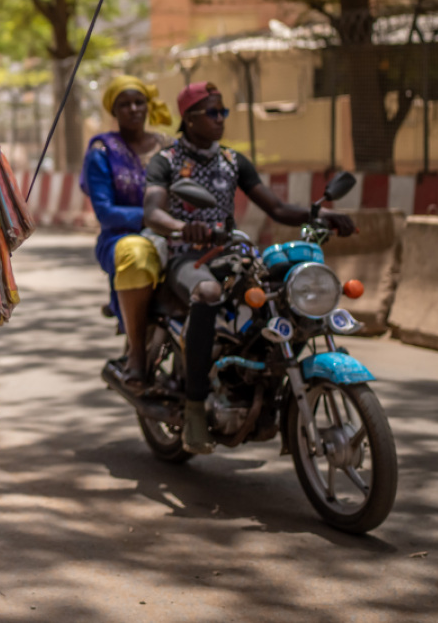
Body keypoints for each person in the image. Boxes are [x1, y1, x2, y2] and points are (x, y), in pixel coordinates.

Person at [142, 82, 355, 454]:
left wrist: (320, 213)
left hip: (231, 253)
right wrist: (182, 227)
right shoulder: (167, 161)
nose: (220, 119)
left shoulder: (232, 160)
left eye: (223, 111)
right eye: (212, 112)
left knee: (282, 288)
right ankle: (194, 411)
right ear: (189, 118)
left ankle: (262, 378)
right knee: (207, 294)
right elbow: (153, 212)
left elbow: (277, 208)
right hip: (186, 256)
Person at [80, 76, 172, 389]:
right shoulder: (102, 151)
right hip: (121, 236)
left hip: (175, 233)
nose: (133, 109)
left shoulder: (168, 147)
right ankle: (136, 353)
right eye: (125, 104)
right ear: (114, 111)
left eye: (138, 102)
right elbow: (105, 212)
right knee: (136, 256)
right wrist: (154, 219)